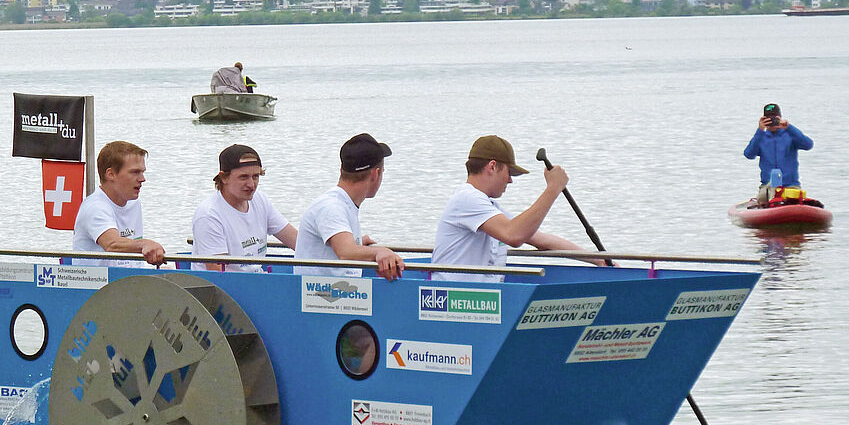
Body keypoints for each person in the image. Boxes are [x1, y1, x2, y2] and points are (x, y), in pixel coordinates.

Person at [431, 135, 591, 282]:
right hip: (453, 302)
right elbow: (514, 235)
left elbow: (541, 239)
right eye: (509, 172)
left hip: (478, 302)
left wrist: (600, 260)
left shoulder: (488, 207)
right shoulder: (467, 199)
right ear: (492, 166)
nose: (510, 181)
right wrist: (553, 188)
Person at [293, 133, 405, 281]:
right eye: (382, 172)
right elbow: (345, 252)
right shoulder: (331, 206)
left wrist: (357, 243)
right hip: (320, 298)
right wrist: (379, 252)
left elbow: (346, 247)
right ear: (375, 174)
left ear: (341, 170)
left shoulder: (342, 204)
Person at [192, 144, 297, 272]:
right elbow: (217, 273)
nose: (251, 185)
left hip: (257, 281)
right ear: (224, 177)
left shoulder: (260, 200)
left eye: (256, 176)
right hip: (224, 289)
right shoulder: (209, 215)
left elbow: (296, 240)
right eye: (243, 177)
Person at [72, 140, 166, 267]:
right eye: (135, 172)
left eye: (142, 172)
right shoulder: (95, 207)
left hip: (128, 281)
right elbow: (112, 244)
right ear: (111, 174)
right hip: (97, 284)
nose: (142, 179)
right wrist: (144, 244)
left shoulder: (134, 204)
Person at [744, 103, 813, 206]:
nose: (772, 122)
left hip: (790, 186)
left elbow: (808, 145)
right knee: (768, 194)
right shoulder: (761, 137)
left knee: (790, 197)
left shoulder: (790, 135)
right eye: (769, 119)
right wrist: (760, 130)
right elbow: (749, 154)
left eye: (774, 118)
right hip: (767, 187)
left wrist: (789, 127)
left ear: (780, 117)